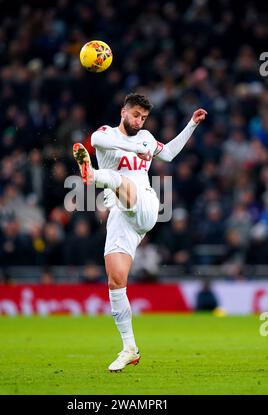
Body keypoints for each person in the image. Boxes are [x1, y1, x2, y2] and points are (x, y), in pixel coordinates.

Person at [73, 93, 207, 372]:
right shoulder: (106, 134)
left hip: (144, 203)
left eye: (143, 117)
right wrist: (136, 149)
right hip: (121, 217)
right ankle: (129, 347)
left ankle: (92, 176)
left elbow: (168, 153)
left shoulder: (146, 136)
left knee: (119, 180)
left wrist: (191, 125)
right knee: (115, 280)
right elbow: (96, 142)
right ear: (123, 111)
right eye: (135, 115)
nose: (139, 121)